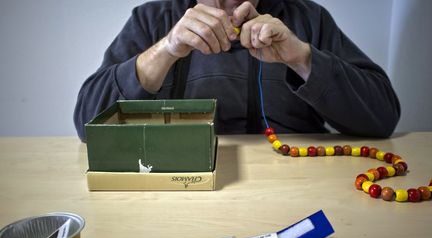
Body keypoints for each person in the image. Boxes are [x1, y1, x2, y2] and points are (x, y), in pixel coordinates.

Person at [74, 0, 400, 142]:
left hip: (300, 185)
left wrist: (302, 57)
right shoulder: (152, 19)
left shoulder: (308, 19)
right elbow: (88, 124)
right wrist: (167, 49)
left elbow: (382, 117)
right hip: (180, 190)